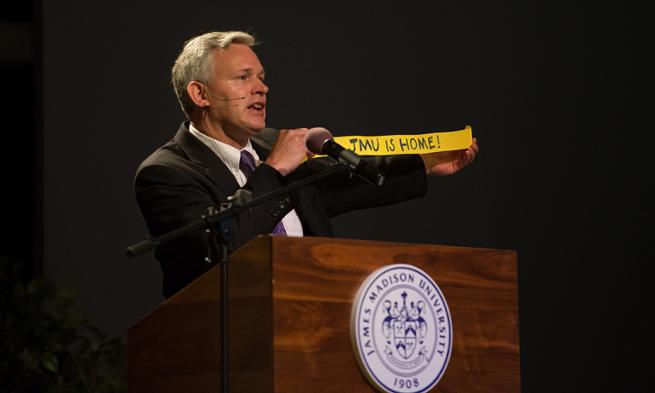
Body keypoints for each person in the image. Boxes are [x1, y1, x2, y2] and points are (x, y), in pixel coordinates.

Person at [134, 31, 479, 298]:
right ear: (200, 94)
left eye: (261, 77)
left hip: (310, 320)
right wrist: (272, 171)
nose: (262, 88)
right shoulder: (166, 173)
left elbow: (344, 184)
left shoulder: (269, 146)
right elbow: (220, 251)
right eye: (243, 77)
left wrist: (424, 163)